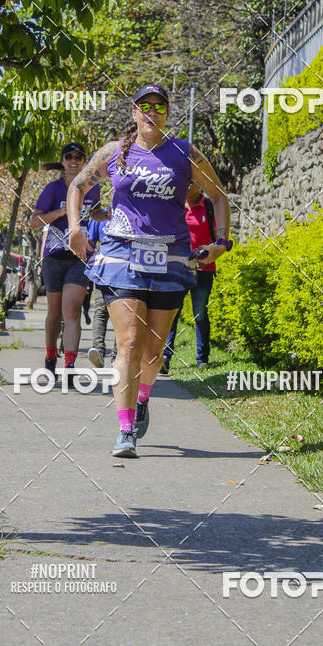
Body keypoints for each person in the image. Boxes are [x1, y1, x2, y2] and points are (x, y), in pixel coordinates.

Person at [67, 83, 232, 458]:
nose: (153, 111)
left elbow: (219, 195)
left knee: (154, 351)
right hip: (121, 254)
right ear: (134, 112)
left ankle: (142, 398)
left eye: (160, 106)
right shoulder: (113, 152)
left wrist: (222, 241)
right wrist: (75, 229)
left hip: (170, 257)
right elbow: (77, 186)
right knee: (128, 344)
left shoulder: (184, 152)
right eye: (145, 105)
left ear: (167, 113)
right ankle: (125, 430)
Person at [31, 142, 102, 383]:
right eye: (69, 157)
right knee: (54, 313)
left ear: (84, 162)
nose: (73, 160)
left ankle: (70, 366)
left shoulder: (92, 189)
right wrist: (61, 212)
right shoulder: (52, 189)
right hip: (54, 256)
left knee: (71, 311)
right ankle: (50, 358)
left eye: (78, 157)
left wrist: (109, 213)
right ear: (62, 161)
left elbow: (95, 213)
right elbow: (35, 221)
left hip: (79, 256)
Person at [161, 181, 217, 373]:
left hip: (203, 269)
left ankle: (202, 358)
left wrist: (210, 252)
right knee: (172, 313)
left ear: (198, 185)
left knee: (200, 313)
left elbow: (218, 238)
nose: (186, 185)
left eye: (191, 182)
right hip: (178, 267)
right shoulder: (174, 205)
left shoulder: (208, 207)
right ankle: (166, 356)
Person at [87, 212, 117, 369]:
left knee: (122, 315)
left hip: (124, 272)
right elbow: (90, 245)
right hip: (102, 272)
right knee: (100, 311)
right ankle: (98, 352)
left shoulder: (132, 212)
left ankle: (117, 356)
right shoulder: (99, 216)